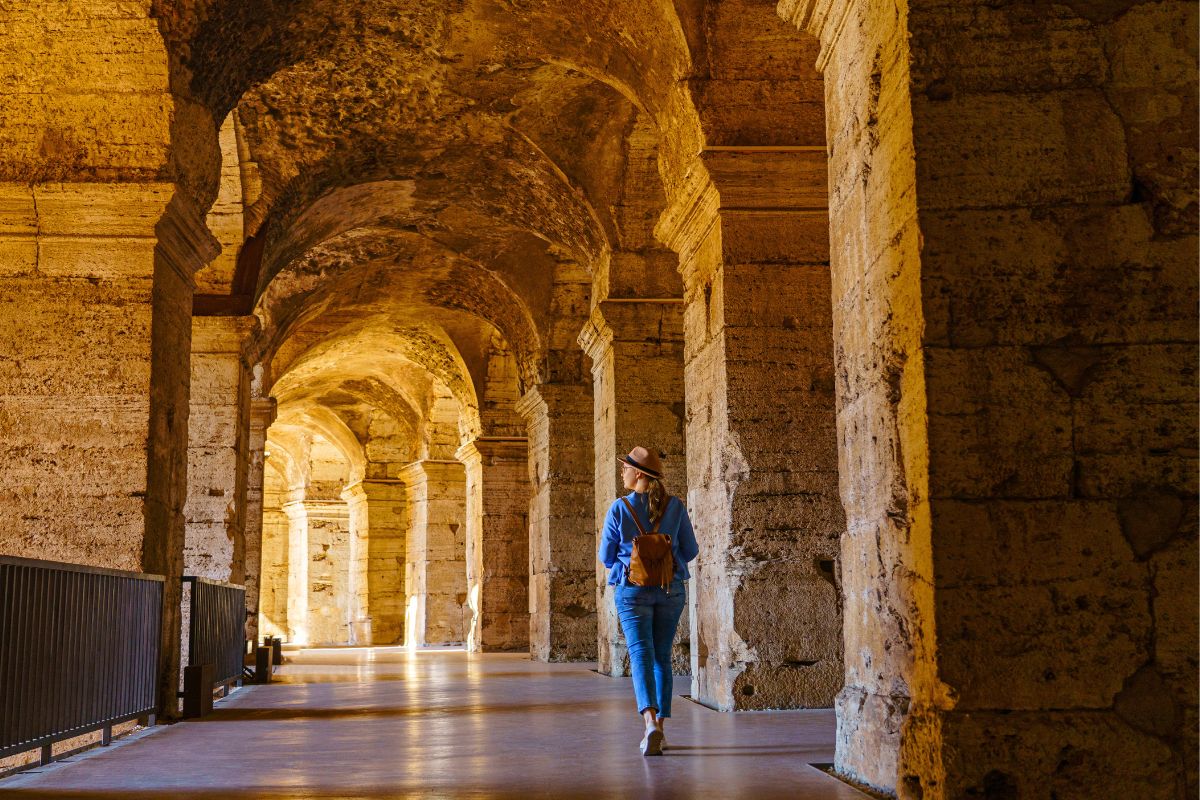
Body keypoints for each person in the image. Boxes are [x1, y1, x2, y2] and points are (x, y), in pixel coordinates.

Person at [598, 446, 699, 756]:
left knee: (640, 653)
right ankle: (662, 730)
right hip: (671, 590)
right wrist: (668, 563)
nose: (622, 472)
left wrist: (625, 565)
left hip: (632, 590)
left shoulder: (619, 508)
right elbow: (691, 550)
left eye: (626, 468)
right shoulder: (676, 507)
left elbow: (605, 556)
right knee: (662, 657)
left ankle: (649, 723)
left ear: (638, 474)